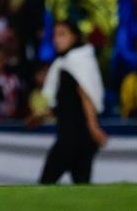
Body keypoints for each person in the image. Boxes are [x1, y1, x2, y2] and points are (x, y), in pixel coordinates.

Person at [28, 21, 108, 184]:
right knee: (81, 190)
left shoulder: (77, 62)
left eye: (62, 34)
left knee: (44, 185)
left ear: (75, 37)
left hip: (72, 138)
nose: (57, 40)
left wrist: (93, 127)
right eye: (55, 35)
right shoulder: (65, 64)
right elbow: (68, 104)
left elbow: (86, 96)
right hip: (82, 140)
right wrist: (41, 116)